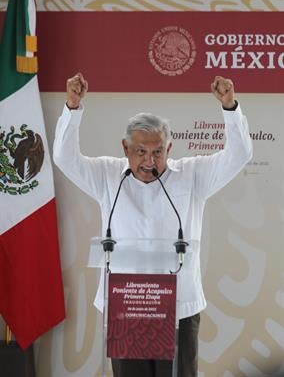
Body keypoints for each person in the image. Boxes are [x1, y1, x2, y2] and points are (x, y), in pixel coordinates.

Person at [53, 73, 253, 377]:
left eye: (158, 151)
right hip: (127, 306)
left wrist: (229, 108)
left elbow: (239, 155)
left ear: (169, 149)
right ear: (125, 148)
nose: (150, 161)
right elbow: (64, 158)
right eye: (141, 151)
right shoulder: (108, 176)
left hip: (178, 308)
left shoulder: (192, 175)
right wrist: (72, 108)